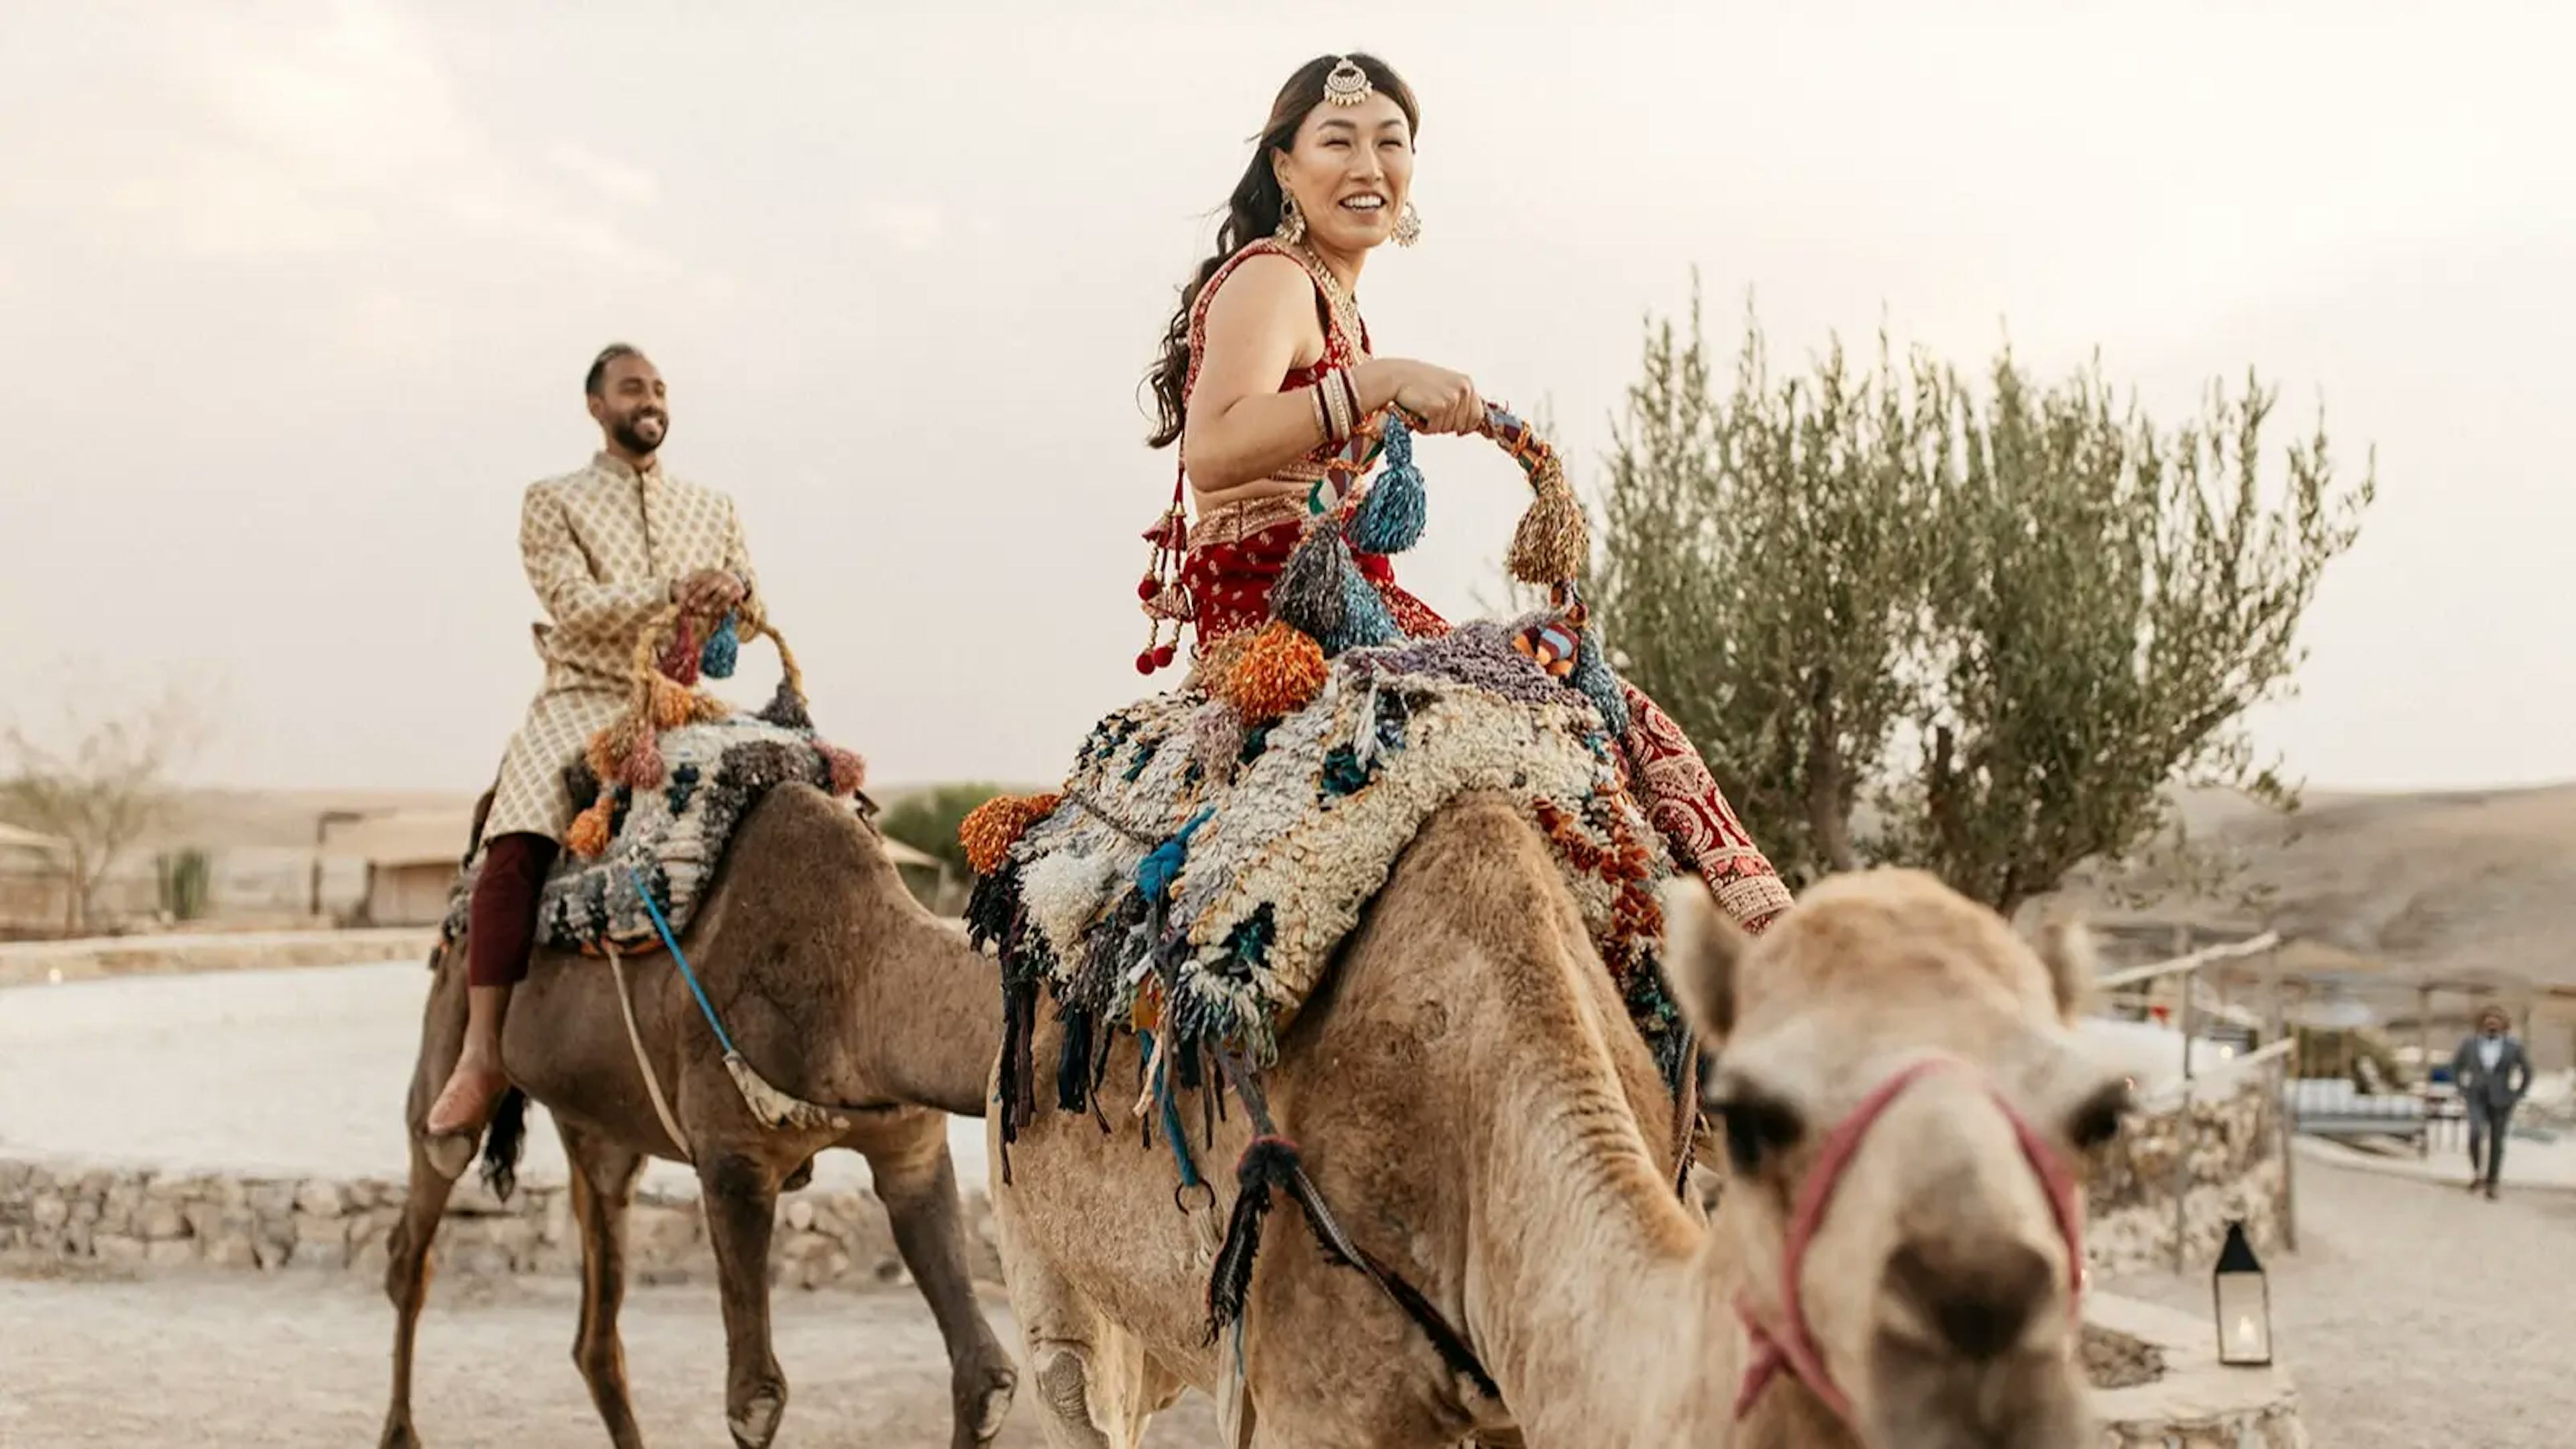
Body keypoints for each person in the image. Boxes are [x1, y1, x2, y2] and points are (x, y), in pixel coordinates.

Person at [1136, 53, 1793, 933]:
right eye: (1337, 140)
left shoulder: (1330, 298)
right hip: (1281, 615)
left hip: (1335, 605)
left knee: (1599, 707)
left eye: (1390, 142)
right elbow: (1213, 450)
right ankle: (1758, 960)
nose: (1368, 167)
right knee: (1583, 701)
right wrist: (1378, 382)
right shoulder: (1276, 277)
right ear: (1285, 166)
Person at [425, 343, 759, 1136]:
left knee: (801, 805)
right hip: (583, 699)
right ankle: (481, 1054)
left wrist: (727, 599)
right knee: (517, 839)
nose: (650, 400)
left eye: (660, 389)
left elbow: (744, 624)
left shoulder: (714, 508)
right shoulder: (554, 500)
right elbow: (573, 605)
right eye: (632, 388)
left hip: (686, 705)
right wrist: (672, 591)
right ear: (597, 406)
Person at [2451, 1005, 2532, 1199]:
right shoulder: (2469, 1044)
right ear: (2482, 1023)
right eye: (2488, 1019)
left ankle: (2493, 1182)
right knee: (2475, 1133)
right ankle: (2477, 1173)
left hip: (2502, 1099)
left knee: (2497, 1141)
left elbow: (2527, 1071)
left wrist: (2518, 1094)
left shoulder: (2513, 1046)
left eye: (2497, 1020)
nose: (2492, 1023)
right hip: (2476, 1097)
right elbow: (2455, 1067)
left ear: (2504, 1024)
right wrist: (2461, 1089)